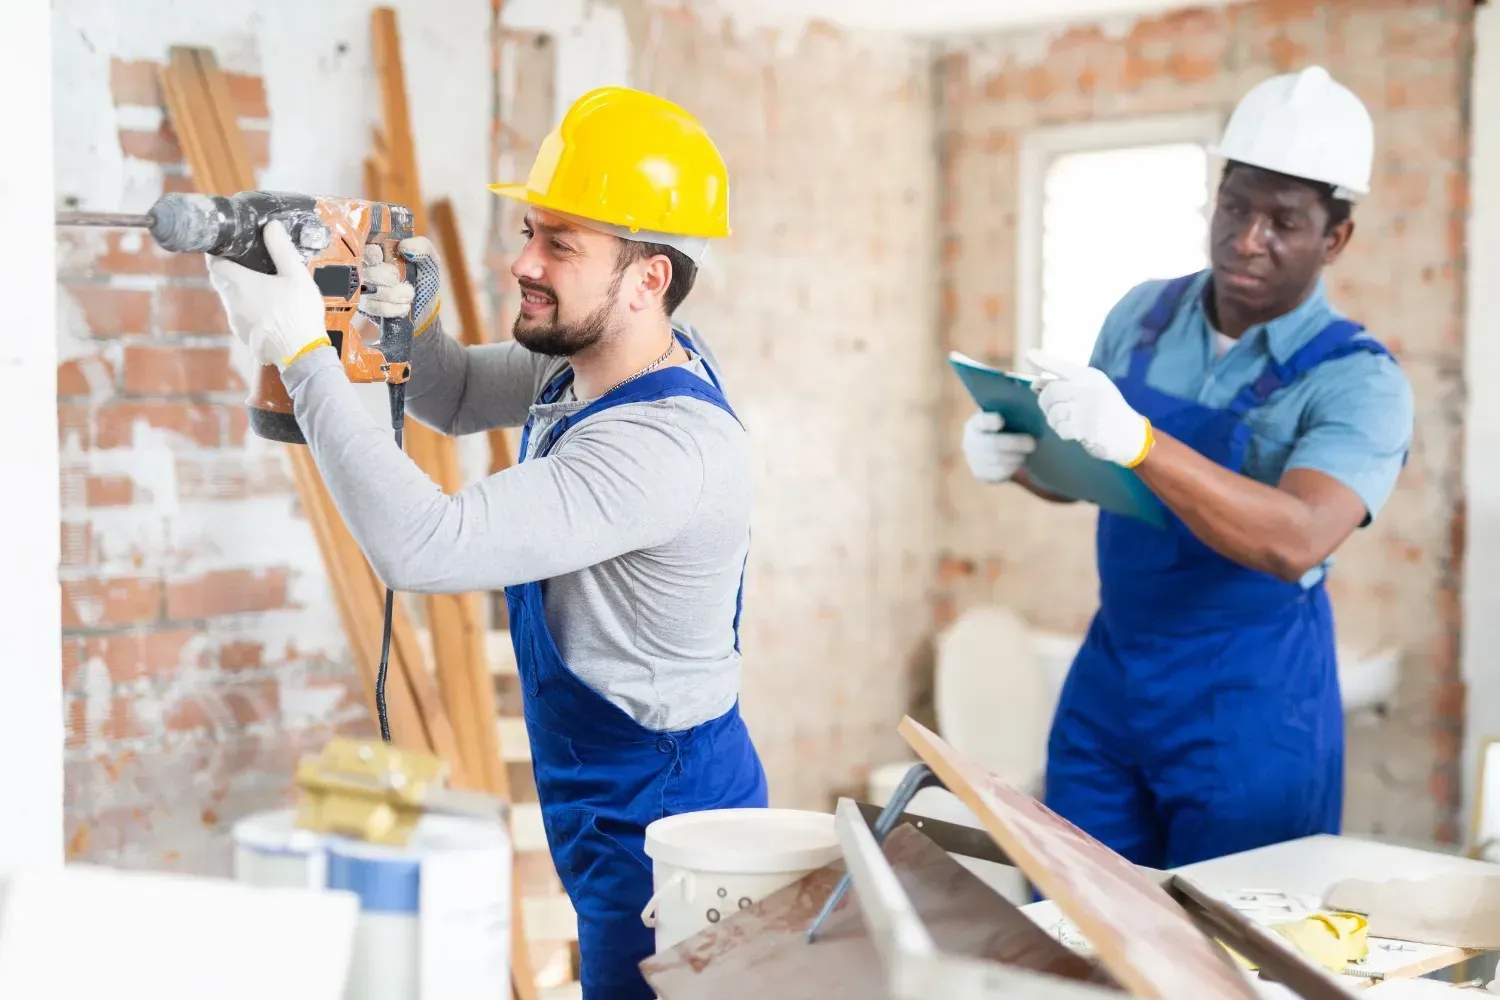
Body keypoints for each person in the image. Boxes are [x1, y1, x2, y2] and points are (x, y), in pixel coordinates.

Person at [204, 86, 767, 999]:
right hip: (604, 793)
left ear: (648, 278)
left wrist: (303, 355)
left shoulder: (666, 449)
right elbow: (457, 393)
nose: (521, 263)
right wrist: (394, 311)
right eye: (529, 232)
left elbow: (424, 546)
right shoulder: (587, 356)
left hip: (666, 817)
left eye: (560, 244)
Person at [961, 65, 1413, 869]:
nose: (1248, 240)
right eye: (1237, 206)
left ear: (1335, 237)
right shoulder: (1142, 315)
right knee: (1077, 913)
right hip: (1114, 673)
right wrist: (1018, 458)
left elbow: (1298, 538)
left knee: (1231, 947)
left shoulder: (1359, 380)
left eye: (1285, 221)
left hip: (1251, 702)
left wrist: (1138, 438)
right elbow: (1098, 475)